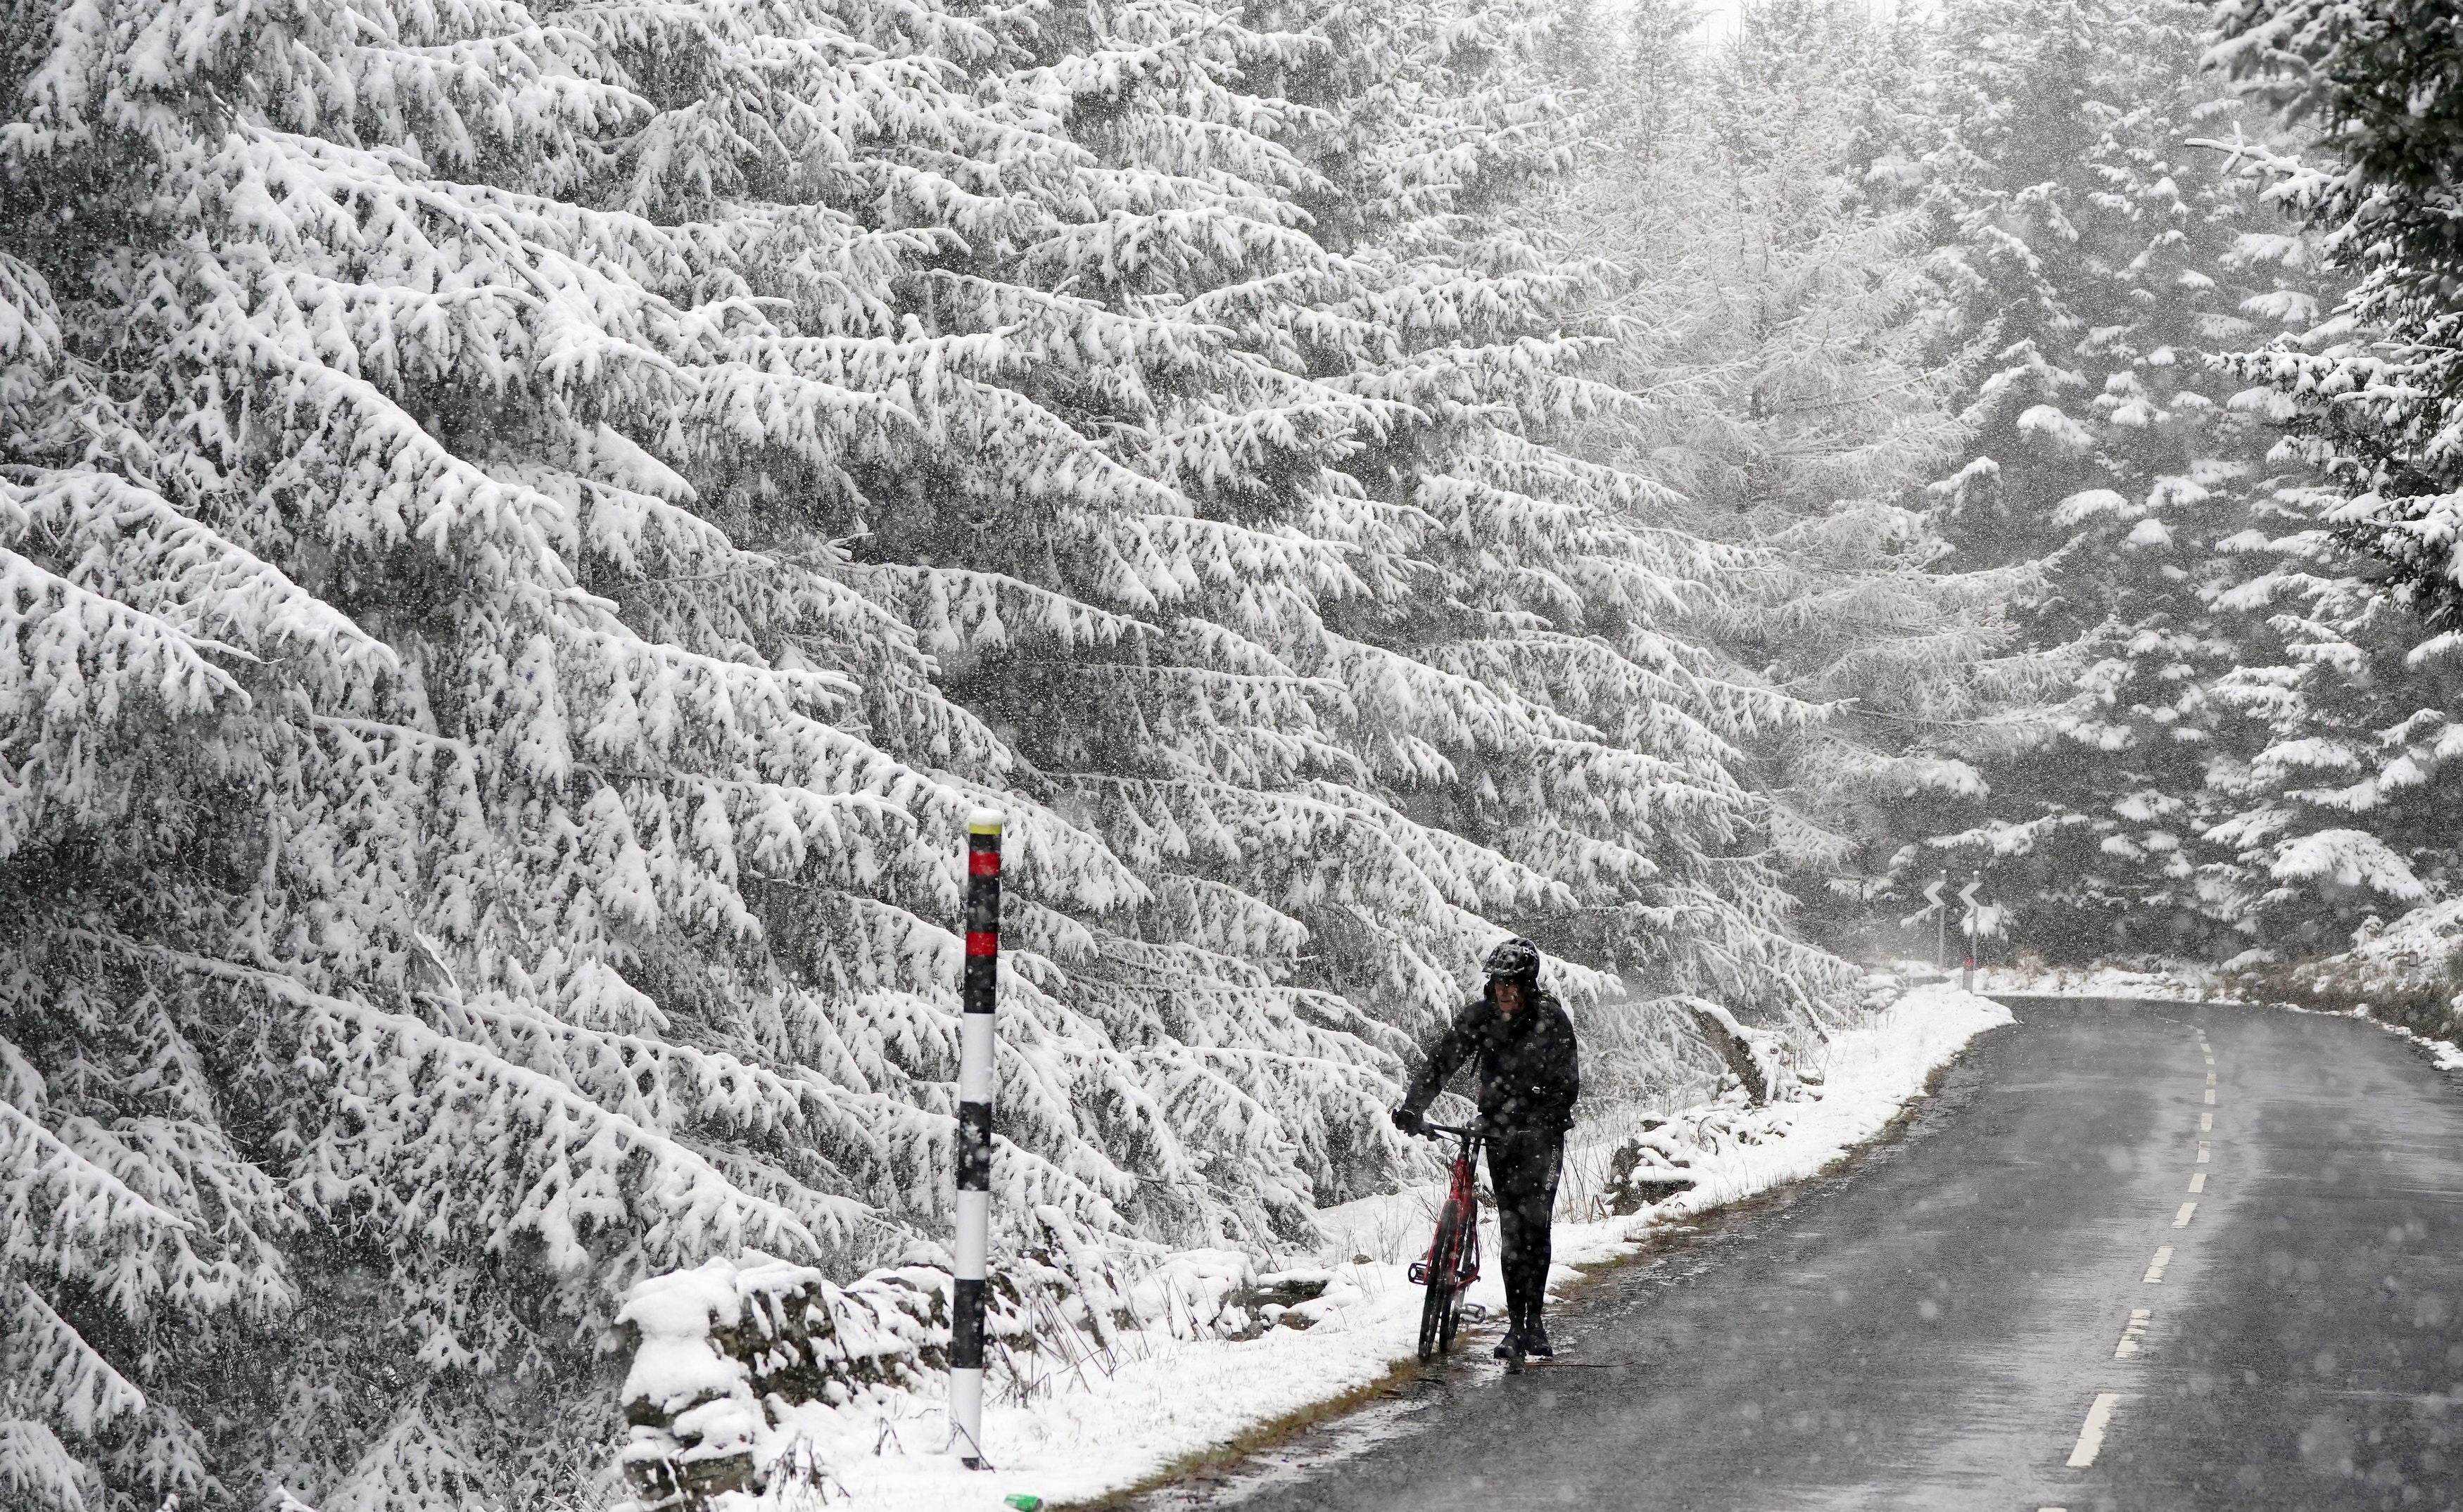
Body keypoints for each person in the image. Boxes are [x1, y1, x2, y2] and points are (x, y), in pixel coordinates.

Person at [1391, 936, 1580, 1364]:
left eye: (1512, 983)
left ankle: (1535, 1322)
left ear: (1528, 984)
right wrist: (1413, 1107)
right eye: (1497, 982)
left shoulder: (1552, 1022)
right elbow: (1443, 1061)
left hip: (1541, 1137)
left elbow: (1567, 1087)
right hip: (1496, 1130)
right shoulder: (1481, 1018)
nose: (1504, 991)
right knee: (1513, 1233)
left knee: (1536, 1225)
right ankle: (1517, 1326)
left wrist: (1537, 1122)